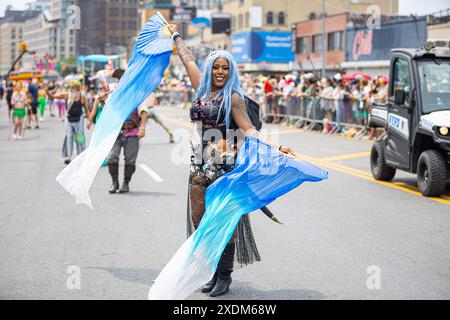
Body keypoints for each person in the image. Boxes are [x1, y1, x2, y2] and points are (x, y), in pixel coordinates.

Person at [168, 24, 295, 297]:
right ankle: (212, 272)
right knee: (202, 223)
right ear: (210, 69)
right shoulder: (201, 90)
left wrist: (277, 146)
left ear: (231, 71)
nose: (220, 72)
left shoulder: (234, 98)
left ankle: (224, 276)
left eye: (225, 68)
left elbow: (250, 131)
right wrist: (175, 35)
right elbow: (187, 57)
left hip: (226, 169)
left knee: (224, 222)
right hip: (199, 166)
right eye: (216, 67)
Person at [106, 68, 149, 194]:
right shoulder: (114, 94)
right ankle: (114, 183)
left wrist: (142, 128)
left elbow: (144, 111)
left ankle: (126, 183)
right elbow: (107, 111)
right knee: (112, 157)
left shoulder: (138, 94)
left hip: (132, 131)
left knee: (130, 159)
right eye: (119, 79)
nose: (120, 82)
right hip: (116, 132)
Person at [46, 80, 90, 164]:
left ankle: (81, 156)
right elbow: (54, 96)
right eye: (71, 87)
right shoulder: (66, 95)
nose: (72, 89)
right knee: (69, 137)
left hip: (79, 119)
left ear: (78, 88)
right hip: (69, 119)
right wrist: (48, 93)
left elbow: (87, 110)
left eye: (73, 87)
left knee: (79, 137)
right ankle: (69, 157)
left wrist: (89, 121)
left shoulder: (82, 97)